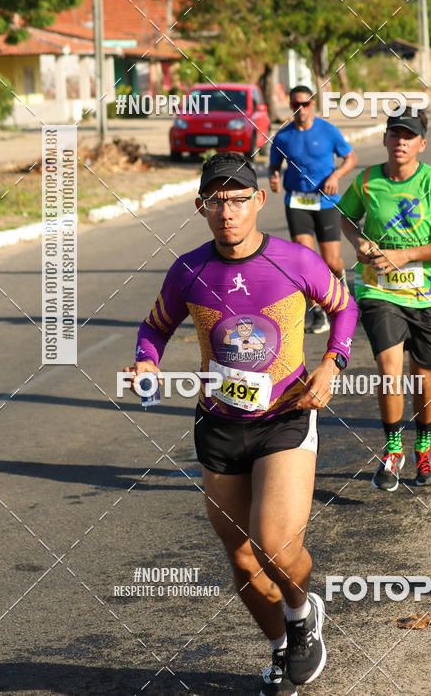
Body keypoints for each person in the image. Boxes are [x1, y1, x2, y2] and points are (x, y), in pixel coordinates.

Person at [124, 151, 357, 694]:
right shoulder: (189, 269)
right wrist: (145, 361)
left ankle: (302, 612)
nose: (228, 212)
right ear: (201, 206)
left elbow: (343, 307)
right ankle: (281, 645)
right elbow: (154, 327)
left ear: (259, 199)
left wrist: (332, 362)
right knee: (244, 559)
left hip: (286, 415)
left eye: (238, 199)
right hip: (219, 424)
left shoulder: (293, 260)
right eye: (217, 201)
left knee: (274, 543)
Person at [338, 108, 431, 492]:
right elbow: (345, 217)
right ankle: (393, 449)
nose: (400, 142)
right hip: (378, 288)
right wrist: (358, 241)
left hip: (429, 294)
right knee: (389, 368)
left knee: (421, 374)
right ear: (384, 140)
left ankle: (424, 448)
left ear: (421, 145)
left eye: (408, 136)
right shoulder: (366, 181)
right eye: (394, 134)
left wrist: (408, 255)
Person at [269, 85, 358, 334]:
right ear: (290, 106)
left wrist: (336, 176)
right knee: (305, 260)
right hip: (297, 202)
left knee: (331, 260)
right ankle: (318, 312)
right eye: (296, 104)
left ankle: (340, 286)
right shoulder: (283, 136)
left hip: (326, 202)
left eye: (305, 104)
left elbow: (351, 158)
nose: (301, 109)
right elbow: (273, 165)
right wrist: (274, 177)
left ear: (313, 105)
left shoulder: (328, 131)